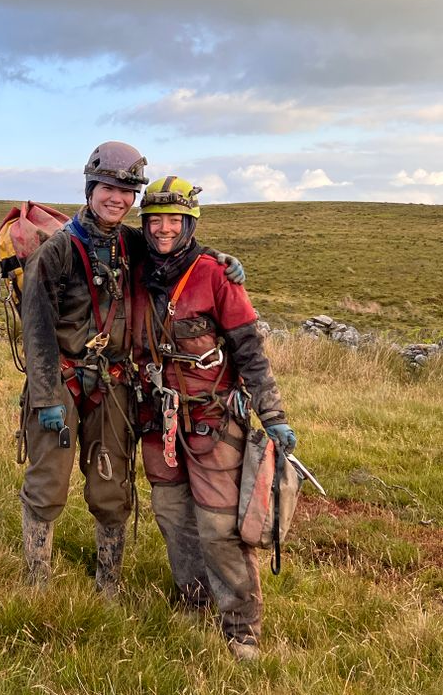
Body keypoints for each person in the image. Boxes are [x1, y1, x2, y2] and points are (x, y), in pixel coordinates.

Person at [17, 142, 245, 599]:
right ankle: (35, 583)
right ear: (90, 189)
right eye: (109, 188)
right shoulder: (56, 252)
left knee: (112, 487)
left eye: (127, 191)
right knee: (47, 484)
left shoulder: (132, 243)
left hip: (114, 384)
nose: (118, 198)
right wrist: (44, 399)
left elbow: (178, 252)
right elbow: (37, 331)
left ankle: (109, 586)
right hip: (60, 381)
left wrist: (220, 260)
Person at [131, 175, 297, 661]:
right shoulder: (134, 269)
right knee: (172, 515)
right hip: (157, 421)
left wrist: (272, 414)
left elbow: (250, 351)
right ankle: (194, 602)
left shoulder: (216, 275)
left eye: (173, 220)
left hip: (214, 419)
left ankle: (242, 630)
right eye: (154, 220)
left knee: (219, 526)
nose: (163, 229)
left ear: (190, 223)